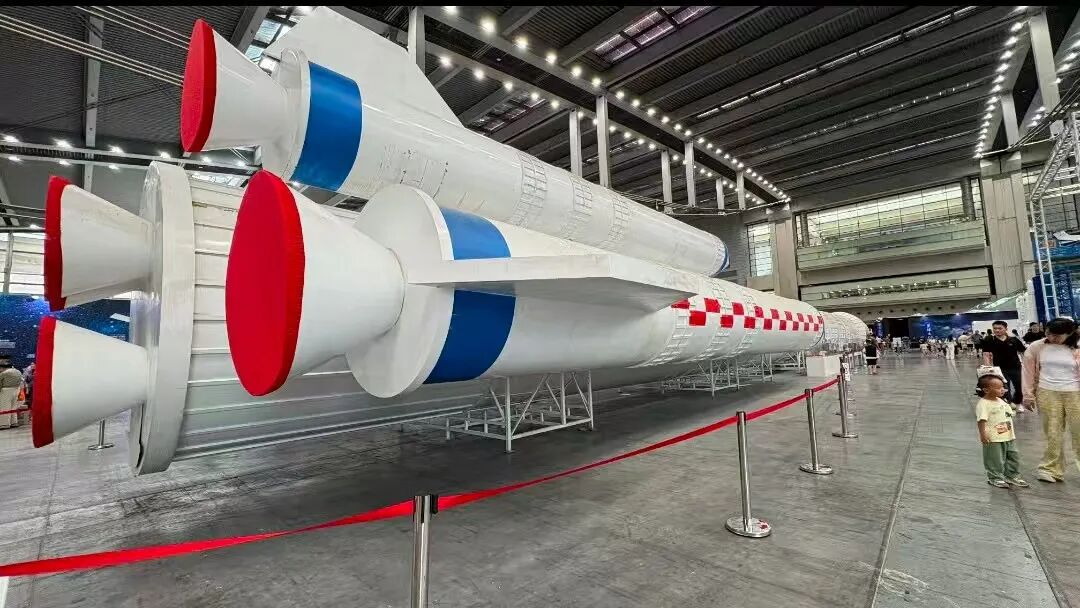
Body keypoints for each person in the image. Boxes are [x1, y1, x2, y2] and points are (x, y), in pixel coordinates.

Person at [1021, 317, 1080, 483]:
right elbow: (1027, 371)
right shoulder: (1037, 346)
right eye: (1049, 333)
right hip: (1047, 392)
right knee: (1052, 432)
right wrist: (1028, 395)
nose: (1052, 338)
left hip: (1075, 394)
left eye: (1057, 336)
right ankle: (1051, 469)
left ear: (1070, 333)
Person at [974, 374, 1028, 488]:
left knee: (1013, 457)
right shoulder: (983, 404)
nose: (1003, 389)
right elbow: (981, 420)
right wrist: (983, 434)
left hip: (1008, 435)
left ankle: (1012, 476)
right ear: (986, 390)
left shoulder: (1001, 400)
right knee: (995, 459)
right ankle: (995, 477)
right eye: (998, 388)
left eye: (1003, 387)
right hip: (993, 438)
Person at [981, 321, 1027, 405]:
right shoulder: (989, 340)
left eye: (1000, 328)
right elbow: (986, 354)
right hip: (1000, 369)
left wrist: (1026, 364)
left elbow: (1023, 352)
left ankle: (1017, 402)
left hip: (1016, 367)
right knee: (1005, 388)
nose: (997, 330)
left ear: (1006, 329)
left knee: (1020, 387)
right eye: (995, 328)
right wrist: (988, 367)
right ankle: (1008, 404)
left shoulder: (1013, 340)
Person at [0, 356, 23, 429]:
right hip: (16, 390)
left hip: (6, 391)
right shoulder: (18, 371)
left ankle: (4, 424)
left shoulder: (4, 373)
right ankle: (14, 422)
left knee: (5, 407)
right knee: (13, 407)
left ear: (3, 368)